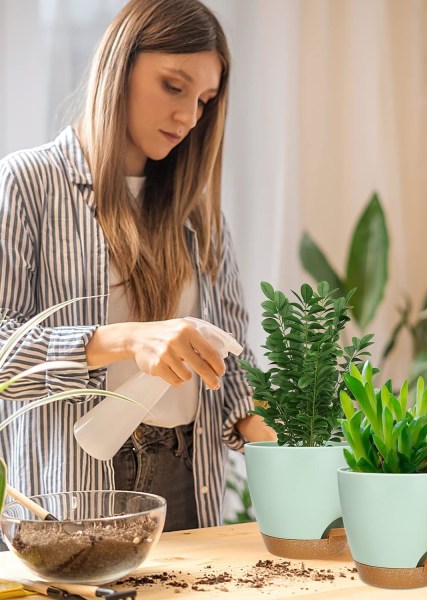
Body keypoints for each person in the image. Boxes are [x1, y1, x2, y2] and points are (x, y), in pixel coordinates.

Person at [0, 0, 274, 533]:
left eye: (205, 100)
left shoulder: (197, 213)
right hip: (73, 488)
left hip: (187, 479)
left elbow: (229, 355)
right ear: (118, 65)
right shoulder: (26, 184)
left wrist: (276, 443)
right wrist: (126, 340)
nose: (189, 116)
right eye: (174, 86)